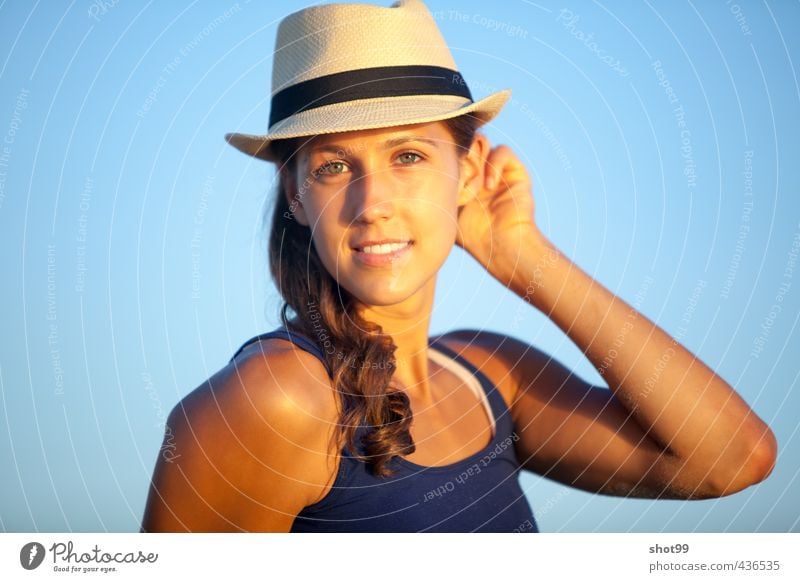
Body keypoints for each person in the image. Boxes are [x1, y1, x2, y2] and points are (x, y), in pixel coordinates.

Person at [140, 0, 776, 533]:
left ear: (466, 172)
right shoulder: (274, 398)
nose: (373, 204)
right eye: (334, 167)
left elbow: (730, 460)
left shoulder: (489, 373)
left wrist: (523, 257)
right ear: (296, 196)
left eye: (409, 156)